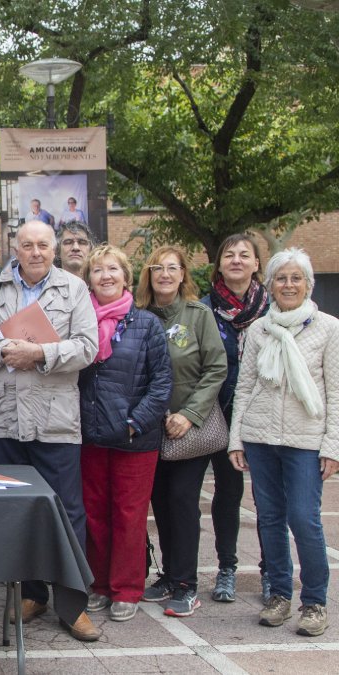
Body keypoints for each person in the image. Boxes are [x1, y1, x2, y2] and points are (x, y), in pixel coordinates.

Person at [0, 220, 100, 641]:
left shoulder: (74, 289)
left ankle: (73, 603)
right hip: (2, 421)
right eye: (27, 245)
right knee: (15, 510)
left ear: (53, 250)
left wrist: (40, 352)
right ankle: (32, 594)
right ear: (15, 249)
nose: (35, 252)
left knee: (66, 512)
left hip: (55, 421)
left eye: (43, 245)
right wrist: (3, 349)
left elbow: (89, 347)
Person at [228, 248, 337, 637]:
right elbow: (245, 386)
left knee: (304, 520)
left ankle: (314, 603)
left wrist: (332, 447)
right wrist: (236, 438)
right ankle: (277, 595)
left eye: (296, 278)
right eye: (281, 278)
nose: (288, 284)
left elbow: (336, 392)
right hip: (260, 438)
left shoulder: (328, 327)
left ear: (309, 283)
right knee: (270, 519)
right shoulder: (259, 329)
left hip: (306, 440)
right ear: (270, 284)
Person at [76, 246, 172, 623]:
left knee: (129, 516)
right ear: (89, 279)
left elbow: (162, 383)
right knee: (95, 515)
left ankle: (127, 588)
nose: (105, 276)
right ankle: (99, 584)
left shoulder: (147, 324)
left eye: (112, 269)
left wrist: (135, 422)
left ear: (126, 276)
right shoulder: (79, 322)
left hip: (135, 440)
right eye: (97, 270)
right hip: (90, 437)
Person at [136, 246, 227, 618]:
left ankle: (187, 584)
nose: (165, 274)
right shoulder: (139, 317)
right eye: (158, 268)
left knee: (183, 501)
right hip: (150, 428)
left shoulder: (197, 315)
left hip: (189, 428)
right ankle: (169, 575)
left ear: (183, 274)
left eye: (172, 268)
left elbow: (216, 368)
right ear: (149, 275)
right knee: (160, 503)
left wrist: (188, 414)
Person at [201, 233, 270, 603]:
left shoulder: (274, 310)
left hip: (266, 417)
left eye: (245, 255)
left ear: (257, 264)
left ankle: (271, 571)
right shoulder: (203, 309)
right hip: (221, 414)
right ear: (220, 264)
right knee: (227, 494)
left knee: (269, 498)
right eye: (230, 255)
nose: (237, 261)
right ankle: (226, 568)